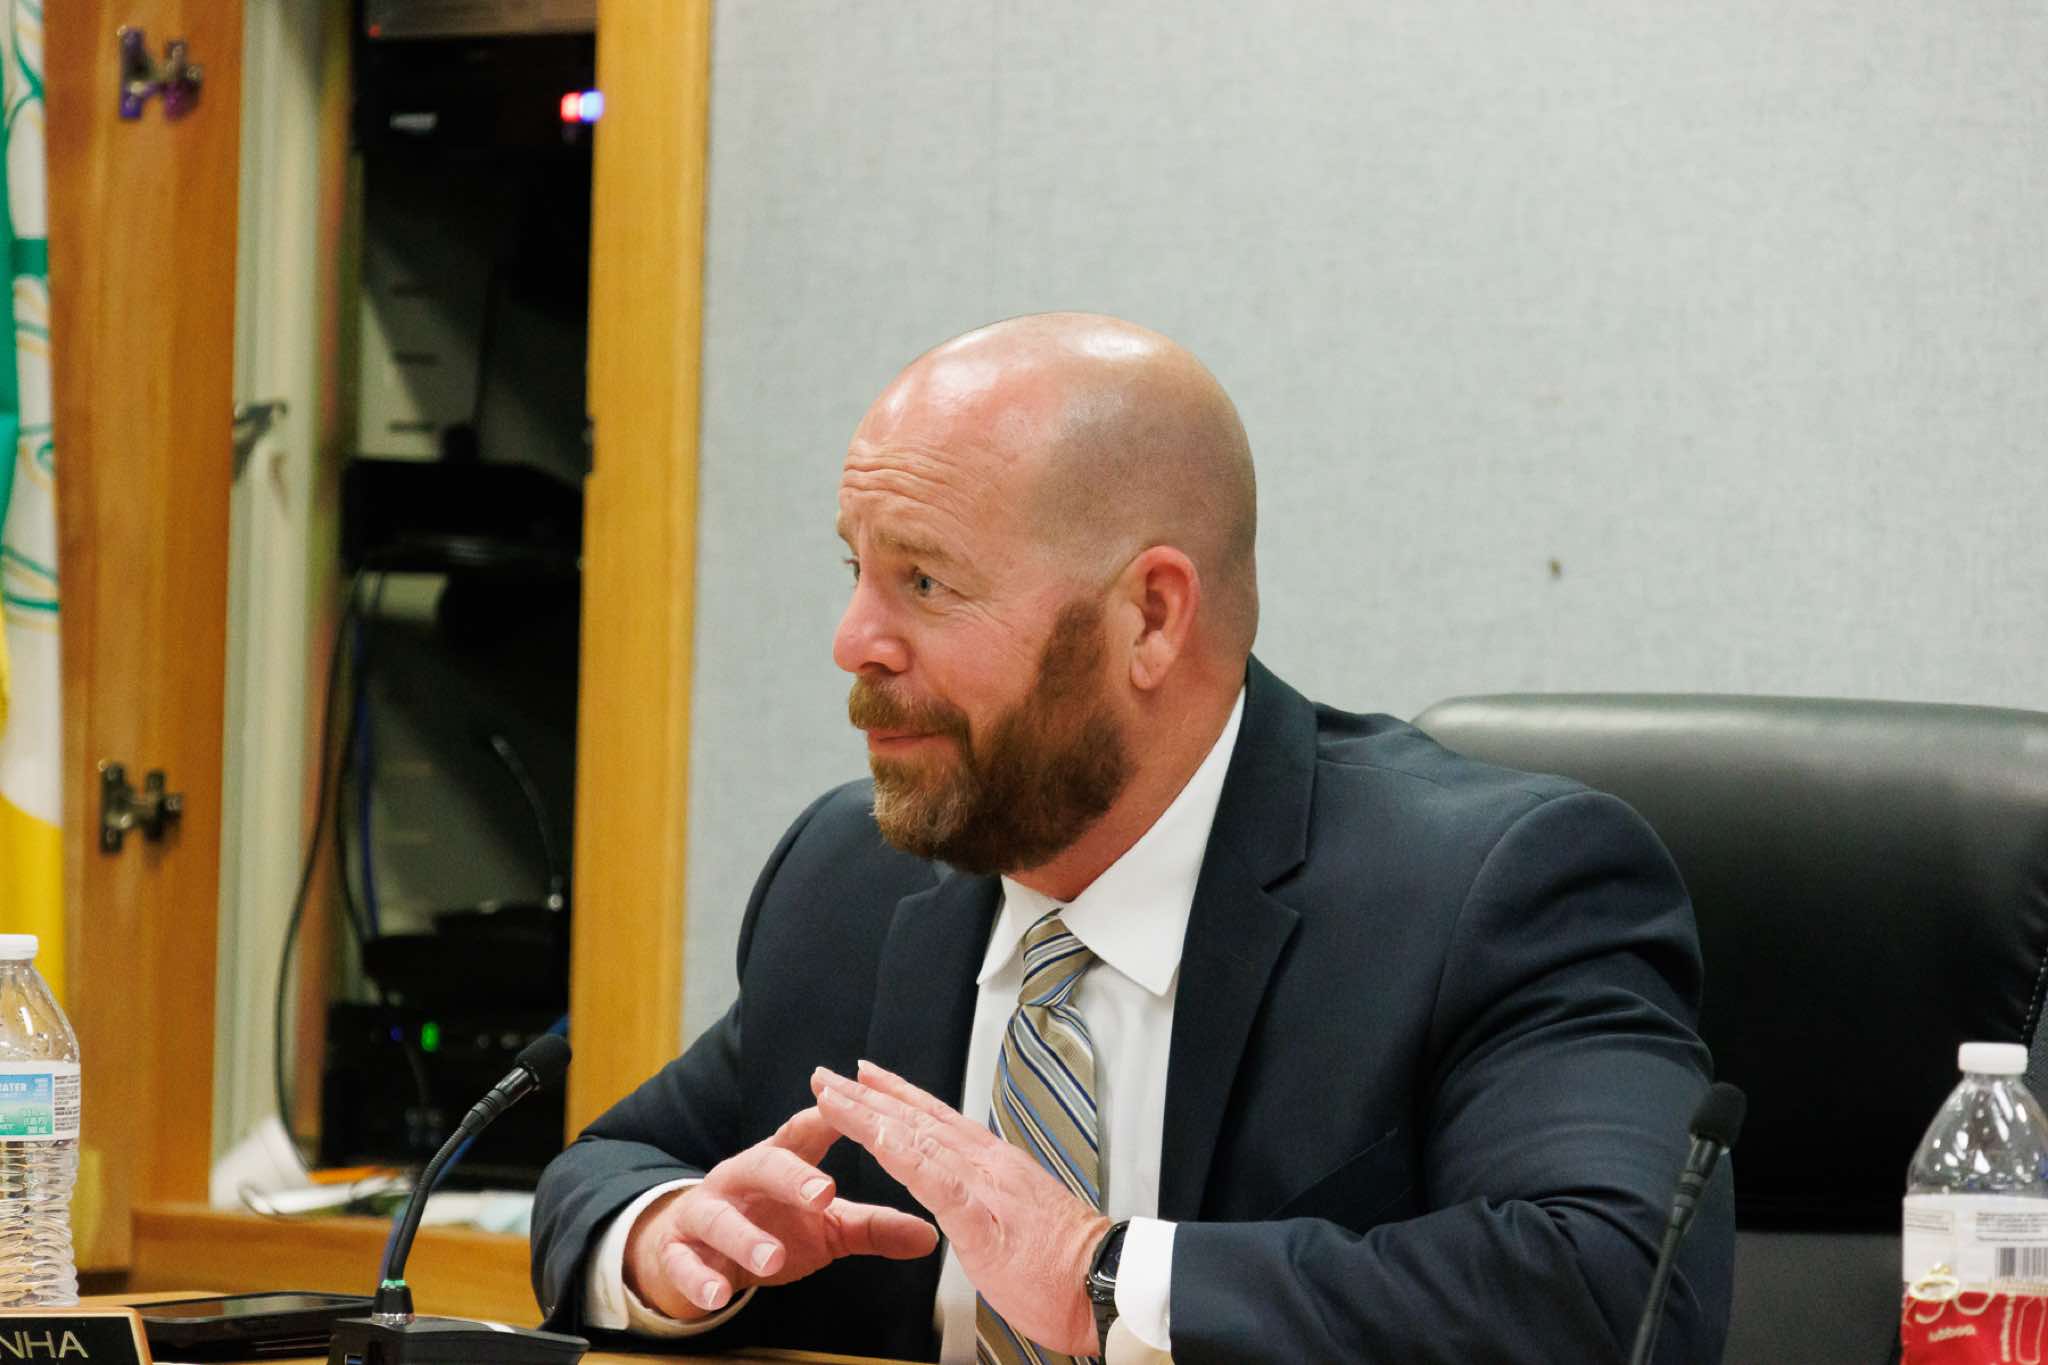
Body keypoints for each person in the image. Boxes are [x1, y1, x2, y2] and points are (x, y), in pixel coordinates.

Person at [530, 313, 1734, 1363]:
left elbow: (1618, 1289)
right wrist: (669, 1242)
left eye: (926, 584)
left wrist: (1101, 1277)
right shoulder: (850, 881)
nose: (854, 640)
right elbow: (611, 1170)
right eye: (856, 571)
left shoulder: (1485, 891)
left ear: (1149, 618)